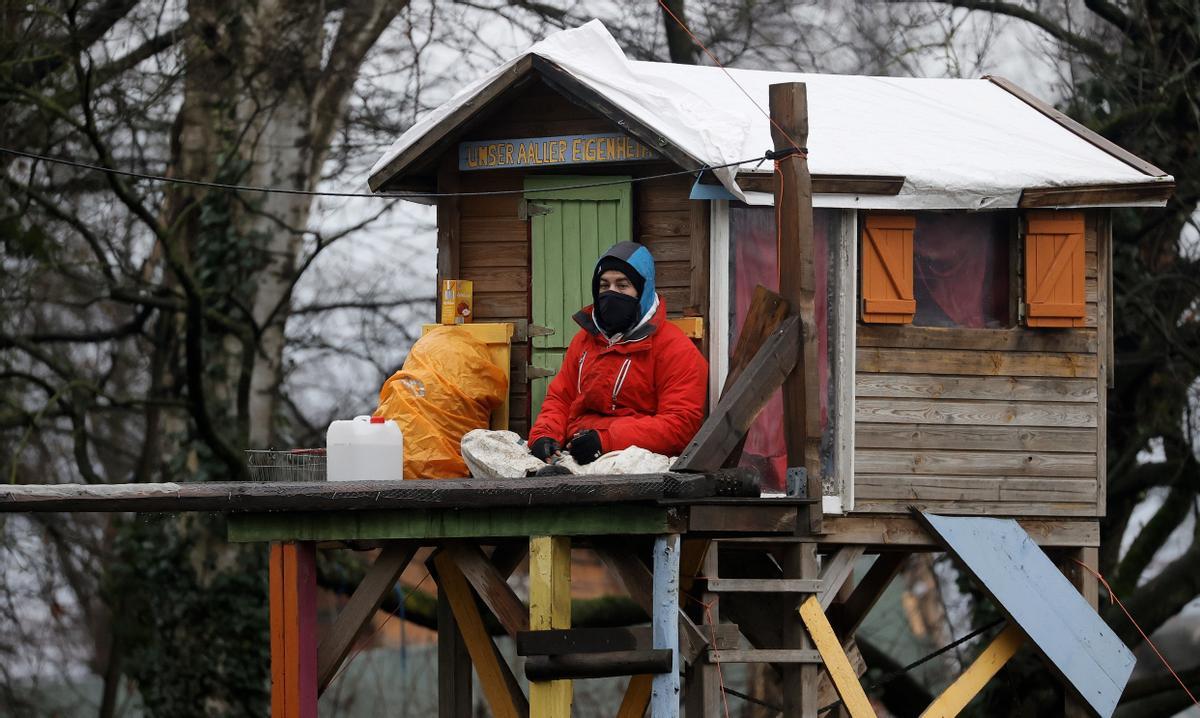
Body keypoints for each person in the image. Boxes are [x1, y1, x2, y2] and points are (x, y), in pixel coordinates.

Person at [527, 241, 708, 466]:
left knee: (618, 468)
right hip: (573, 451)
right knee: (478, 442)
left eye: (622, 286)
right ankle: (552, 476)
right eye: (604, 285)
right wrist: (545, 436)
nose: (611, 293)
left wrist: (607, 440)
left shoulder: (676, 349)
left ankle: (557, 480)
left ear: (642, 291)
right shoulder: (585, 340)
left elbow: (680, 425)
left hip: (630, 457)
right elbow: (560, 399)